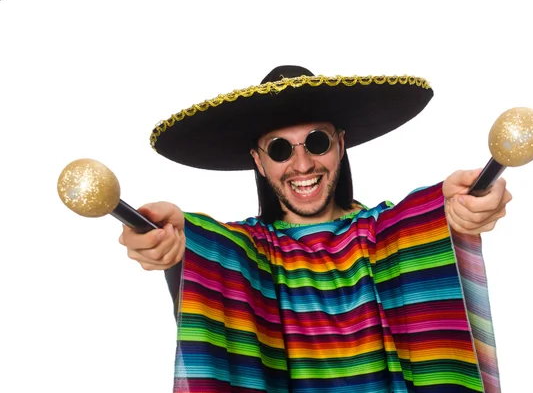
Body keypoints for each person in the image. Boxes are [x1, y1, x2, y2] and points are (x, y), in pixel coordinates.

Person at [120, 65, 510, 393]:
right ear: (259, 161)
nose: (302, 164)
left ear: (340, 145)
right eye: (279, 149)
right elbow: (202, 241)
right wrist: (169, 237)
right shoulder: (247, 251)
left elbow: (428, 215)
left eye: (317, 142)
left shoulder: (385, 232)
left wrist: (460, 207)